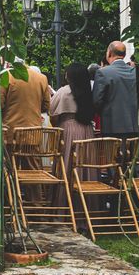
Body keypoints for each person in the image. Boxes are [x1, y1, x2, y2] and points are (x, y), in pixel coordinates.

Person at [50, 63, 98, 215]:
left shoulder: (64, 92)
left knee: (67, 165)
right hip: (87, 130)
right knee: (85, 166)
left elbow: (52, 113)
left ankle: (65, 207)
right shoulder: (90, 92)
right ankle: (86, 209)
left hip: (68, 129)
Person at [92, 41, 138, 140]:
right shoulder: (136, 73)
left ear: (109, 53)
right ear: (124, 55)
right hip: (134, 125)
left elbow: (96, 101)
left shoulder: (103, 73)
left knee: (113, 155)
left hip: (111, 126)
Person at [0, 62, 51, 143]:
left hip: (11, 134)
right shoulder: (42, 78)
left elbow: (0, 103)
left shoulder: (7, 76)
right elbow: (46, 106)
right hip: (34, 134)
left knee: (11, 155)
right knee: (32, 155)